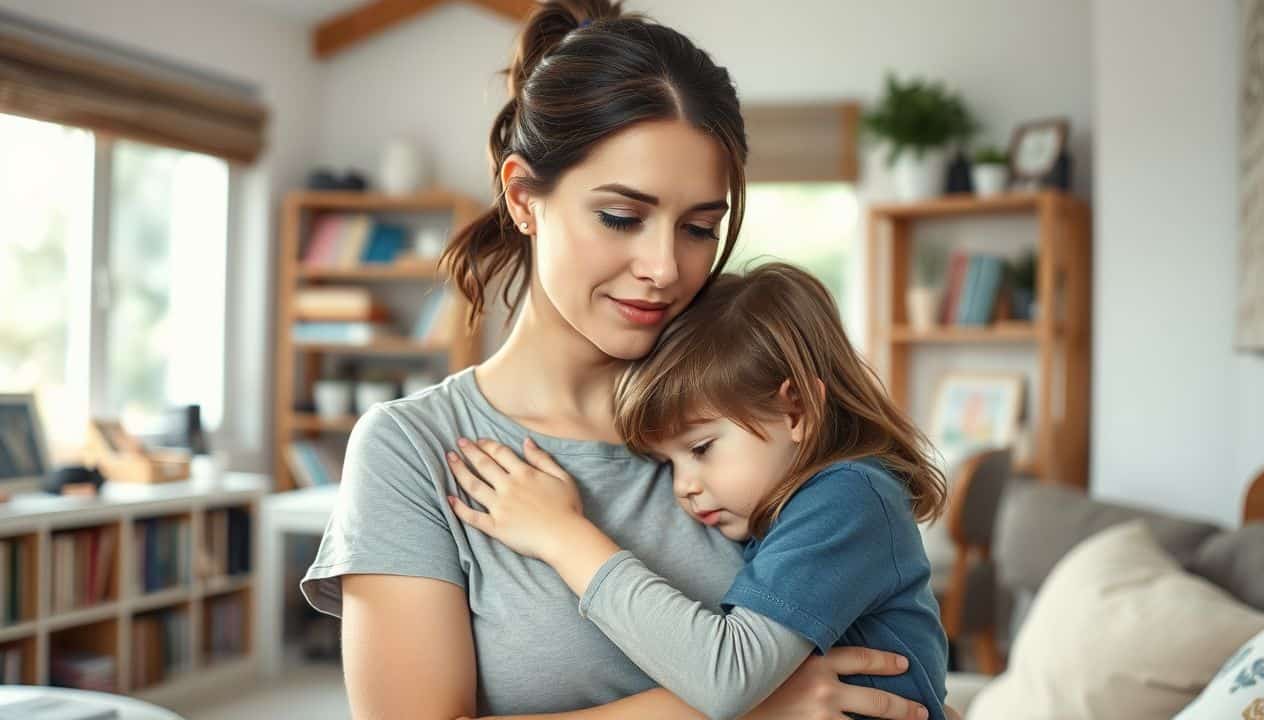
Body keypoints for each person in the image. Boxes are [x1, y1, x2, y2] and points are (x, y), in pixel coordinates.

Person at [300, 1, 934, 718]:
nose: (664, 266)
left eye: (699, 227)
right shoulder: (415, 450)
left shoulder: (752, 415)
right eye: (621, 217)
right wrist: (744, 709)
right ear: (522, 197)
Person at [446, 263, 950, 719]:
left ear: (797, 411)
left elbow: (726, 678)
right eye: (668, 463)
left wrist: (564, 538)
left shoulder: (848, 499)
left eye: (703, 448)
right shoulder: (786, 512)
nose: (684, 487)